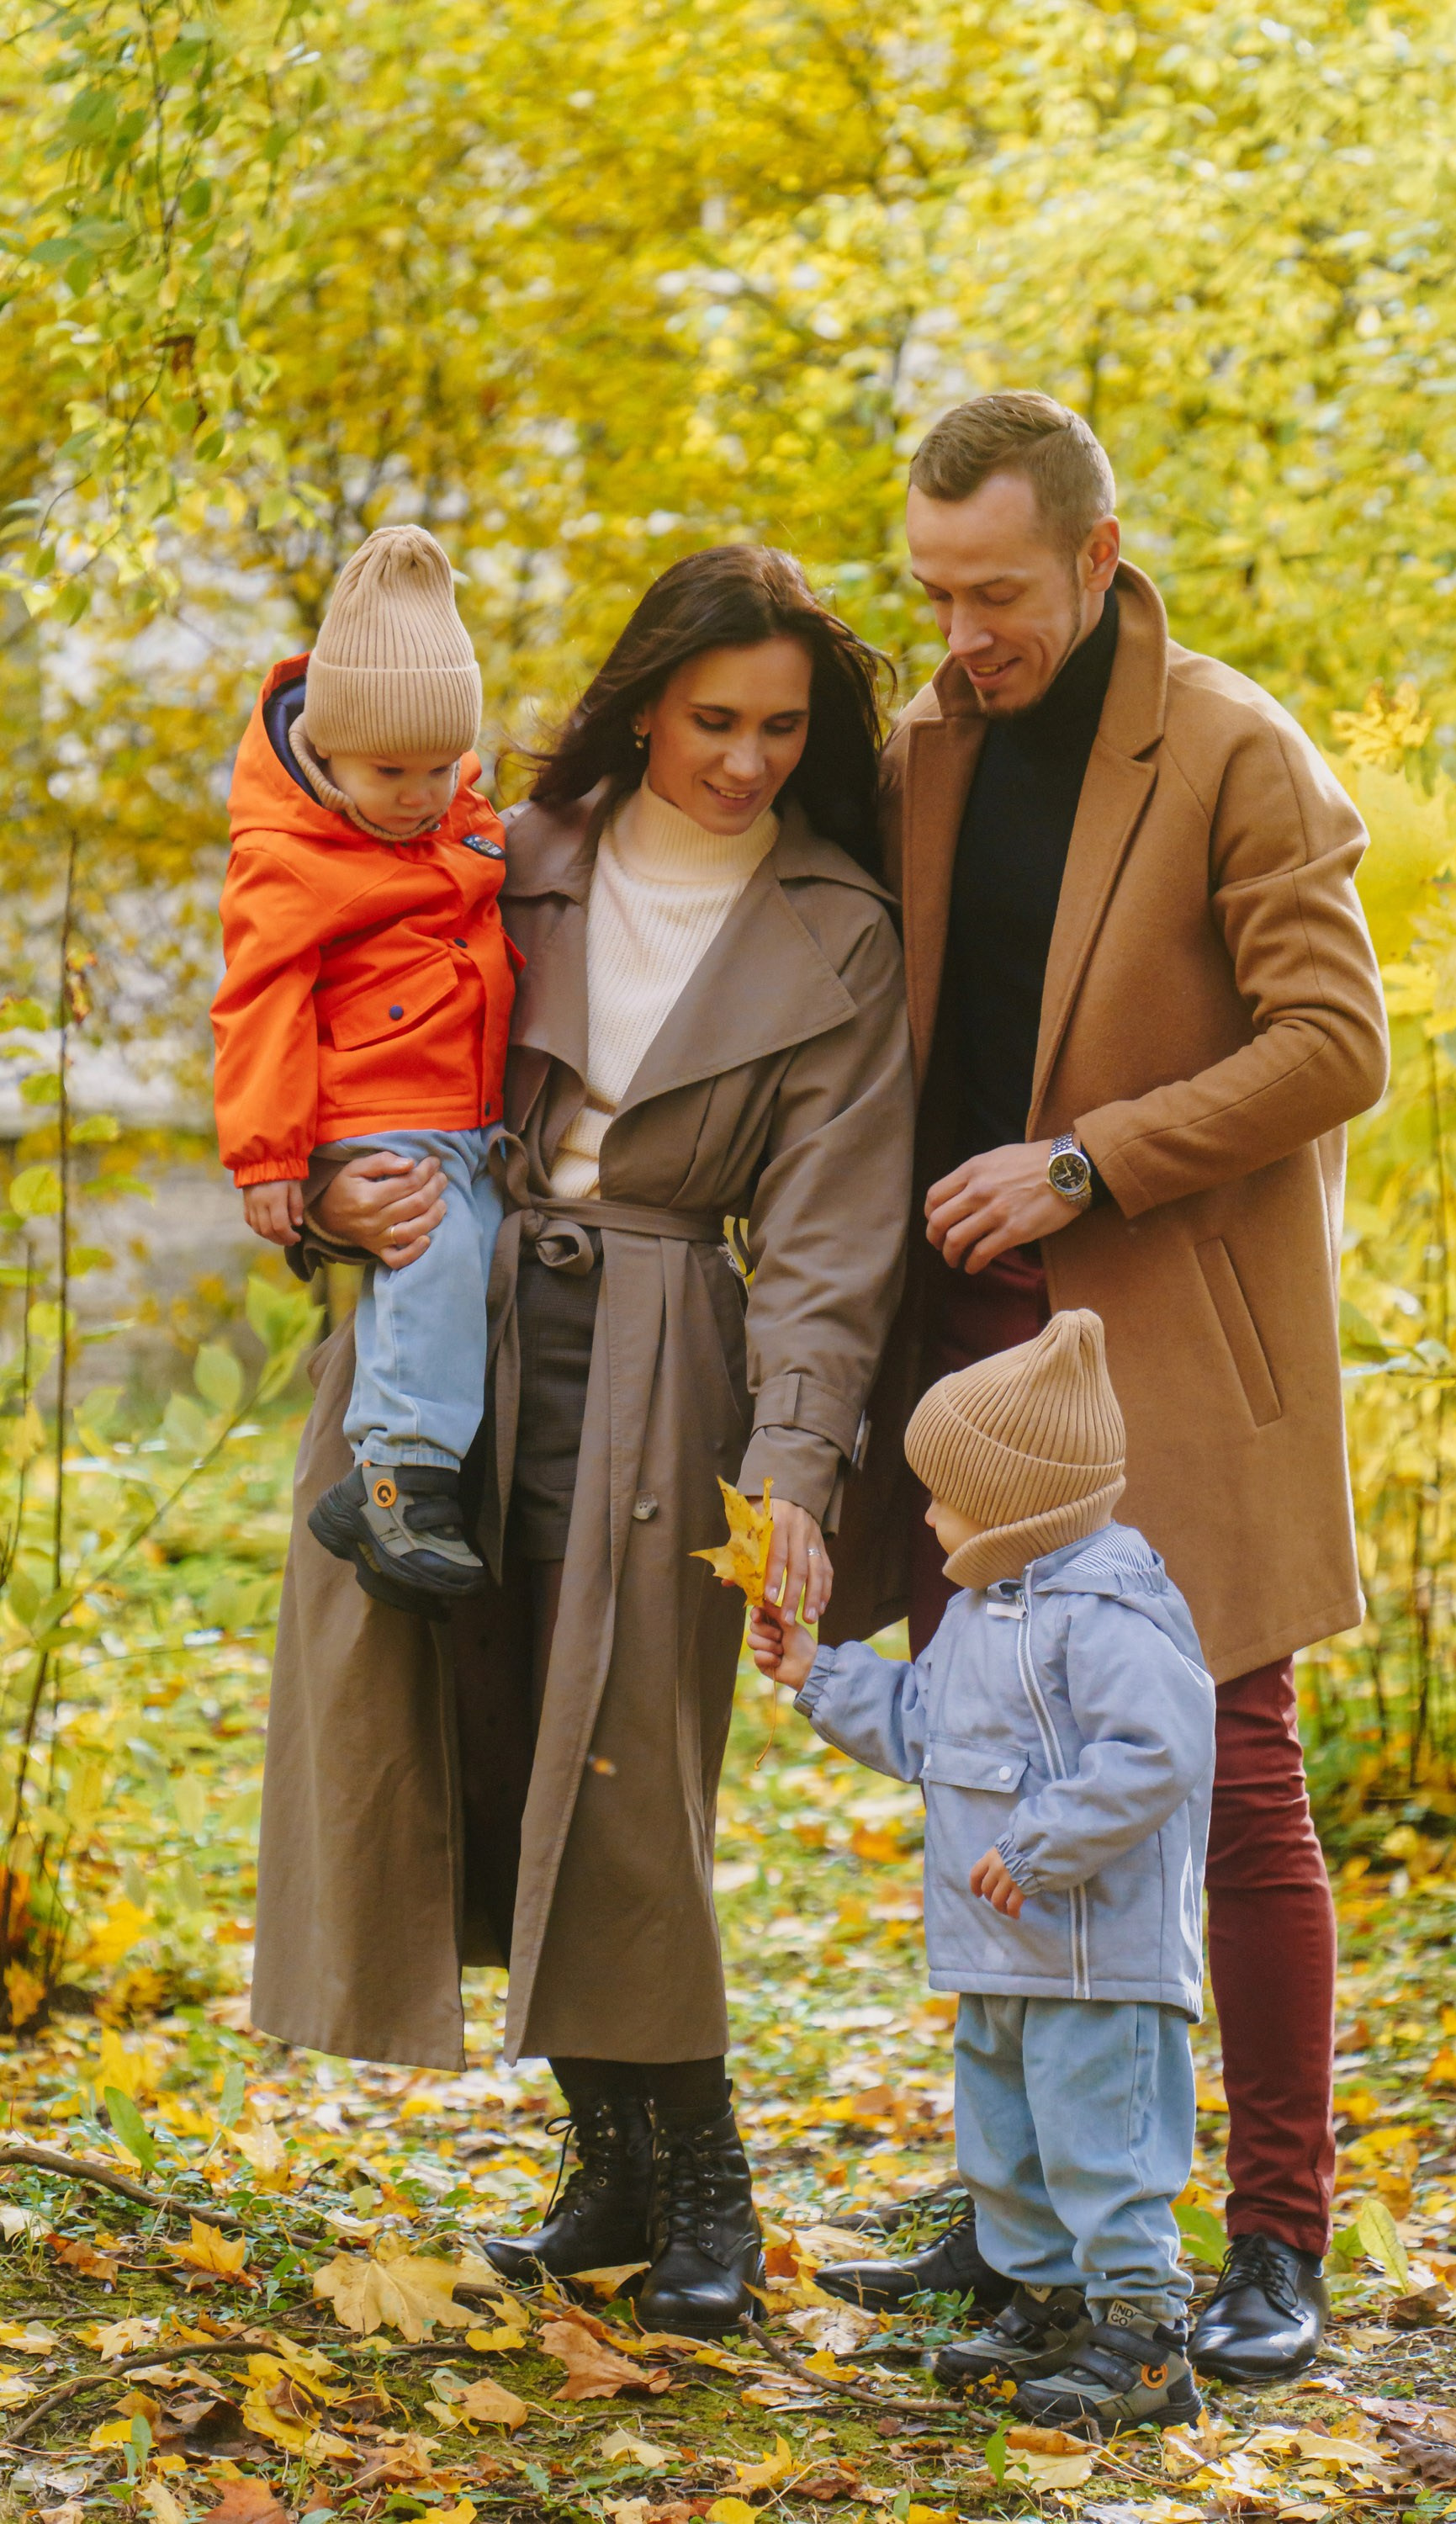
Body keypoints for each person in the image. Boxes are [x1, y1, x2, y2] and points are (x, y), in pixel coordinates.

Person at [248, 544, 915, 2338]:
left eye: (783, 728)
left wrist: (792, 1466)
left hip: (668, 1351)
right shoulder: (499, 854)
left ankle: (708, 2188)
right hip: (440, 1345)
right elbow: (313, 1028)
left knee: (622, 1758)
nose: (747, 759)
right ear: (639, 706)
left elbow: (837, 1238)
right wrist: (317, 1188)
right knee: (472, 1733)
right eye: (714, 719)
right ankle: (608, 2173)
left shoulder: (837, 925)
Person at [823, 393, 1390, 2384]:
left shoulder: (1235, 746)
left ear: (1093, 548)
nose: (963, 631)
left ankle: (1274, 2242)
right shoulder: (921, 756)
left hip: (1173, 1357)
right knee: (990, 1774)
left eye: (993, 592)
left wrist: (1085, 1161)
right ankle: (1031, 2234)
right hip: (967, 1359)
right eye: (931, 594)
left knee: (1228, 1776)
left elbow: (1338, 1044)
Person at [754, 1311, 1215, 2433]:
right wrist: (821, 1675)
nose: (927, 1514)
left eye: (944, 1494)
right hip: (1000, 1955)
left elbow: (1161, 1750)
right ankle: (1051, 2301)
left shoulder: (1107, 1613)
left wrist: (1040, 1846)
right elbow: (923, 1725)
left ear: (1022, 1503)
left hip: (1098, 1953)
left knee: (1102, 2143)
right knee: (1005, 2143)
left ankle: (1145, 2338)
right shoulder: (978, 1611)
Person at [212, 524, 515, 1612]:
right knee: (429, 1252)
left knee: (466, 1257)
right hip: (373, 1107)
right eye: (391, 771)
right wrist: (267, 1157)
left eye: (441, 768)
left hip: (462, 1108)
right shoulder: (291, 859)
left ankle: (384, 1482)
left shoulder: (458, 822)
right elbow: (257, 1004)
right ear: (330, 750)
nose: (419, 794)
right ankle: (399, 1480)